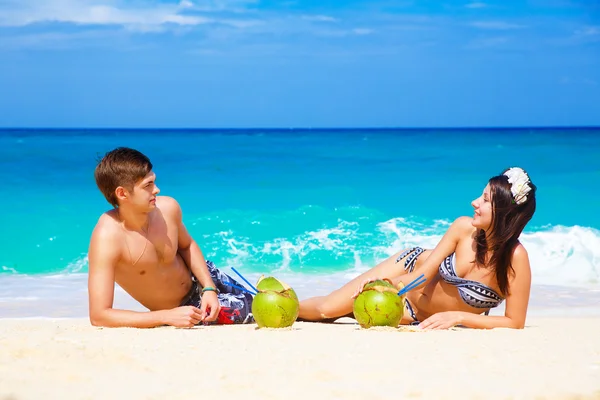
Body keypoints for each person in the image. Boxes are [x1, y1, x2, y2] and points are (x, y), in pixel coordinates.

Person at [299, 167, 537, 330]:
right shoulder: (464, 228)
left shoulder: (515, 258)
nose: (474, 202)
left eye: (485, 200)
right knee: (327, 310)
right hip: (407, 271)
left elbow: (514, 321)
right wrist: (389, 284)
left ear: (504, 213)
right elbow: (423, 275)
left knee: (346, 314)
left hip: (412, 315)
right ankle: (277, 304)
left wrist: (458, 317)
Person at [88, 147, 254, 328]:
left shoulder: (167, 208)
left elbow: (186, 245)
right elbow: (99, 315)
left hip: (205, 276)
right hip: (183, 309)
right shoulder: (107, 237)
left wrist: (208, 287)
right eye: (148, 185)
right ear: (122, 193)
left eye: (154, 182)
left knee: (265, 299)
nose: (157, 190)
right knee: (264, 313)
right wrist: (166, 317)